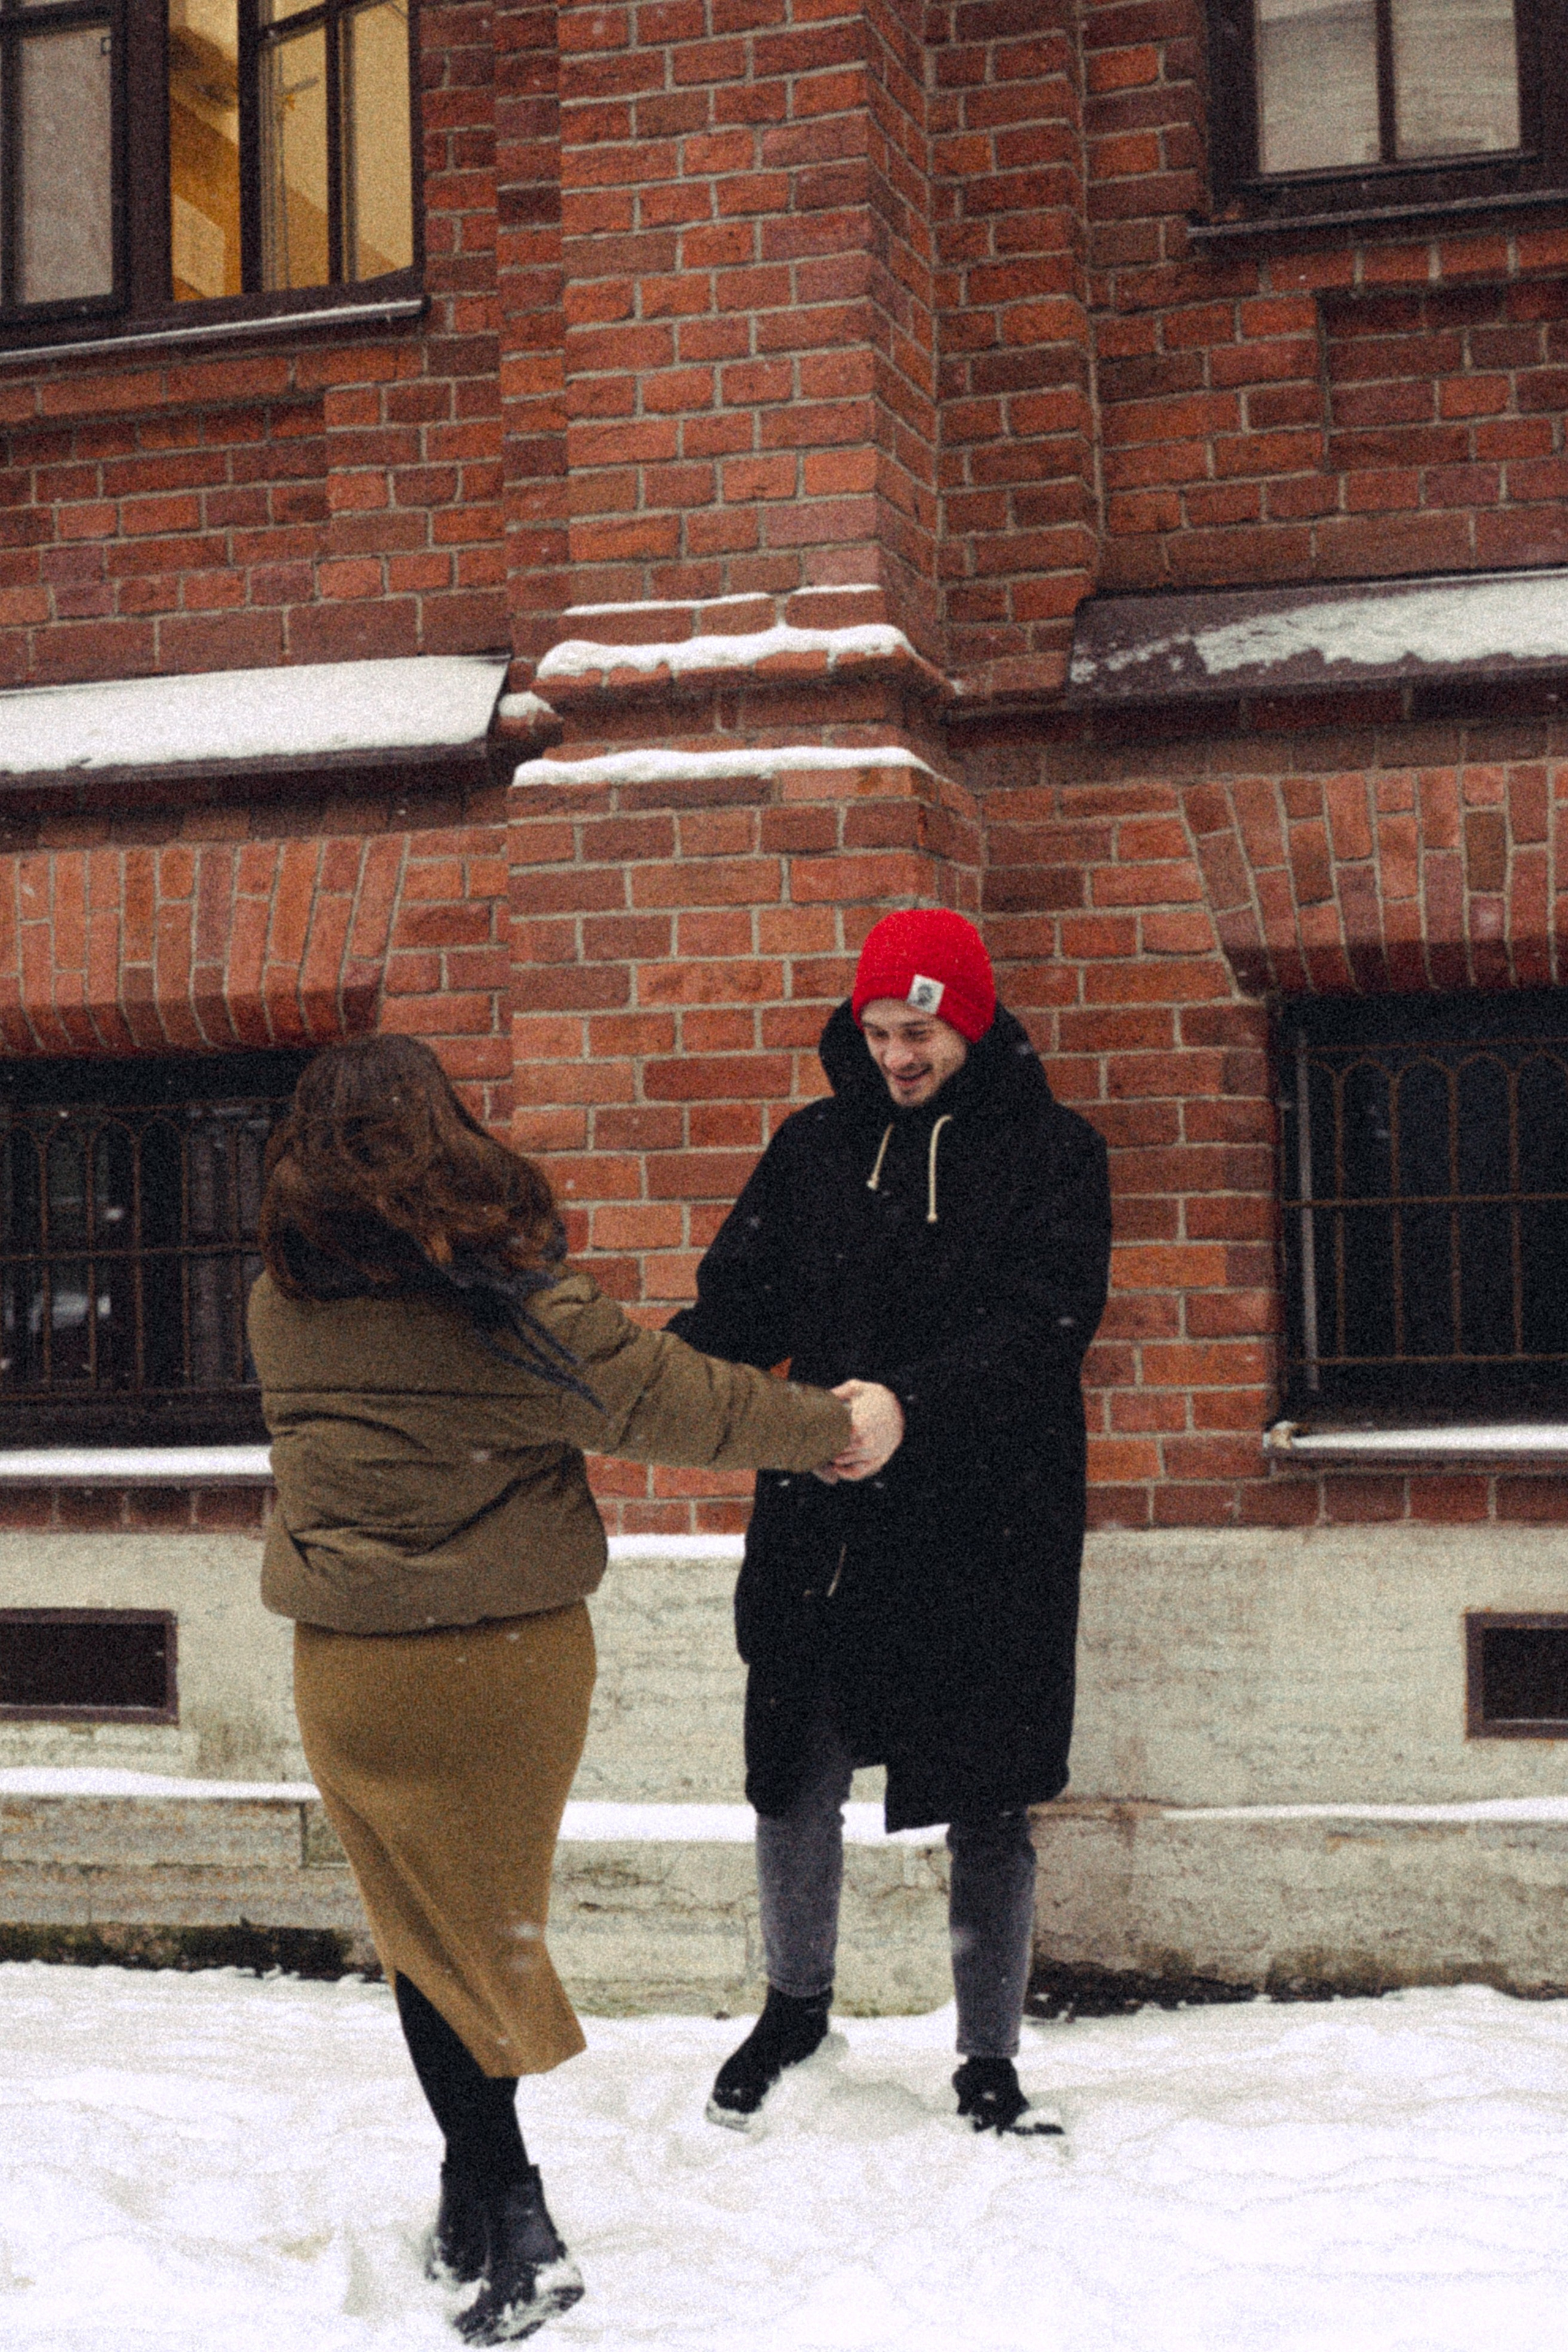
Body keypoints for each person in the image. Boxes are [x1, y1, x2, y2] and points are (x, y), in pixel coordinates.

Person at [246, 1034, 902, 2345]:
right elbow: (671, 1403)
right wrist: (839, 1427)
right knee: (470, 1935)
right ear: (442, 1132)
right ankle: (515, 2211)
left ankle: (469, 2190)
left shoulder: (279, 1301)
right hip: (499, 1663)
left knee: (425, 1936)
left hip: (351, 1665)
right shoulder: (503, 1308)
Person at [667, 907, 1112, 2136]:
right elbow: (738, 1305)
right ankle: (793, 2006)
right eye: (875, 1033)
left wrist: (911, 1403)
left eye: (918, 1033)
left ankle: (986, 2053)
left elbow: (1043, 1325)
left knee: (988, 1793)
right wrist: (645, 1378)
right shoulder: (815, 1148)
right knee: (792, 1768)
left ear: (968, 1021)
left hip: (989, 1522)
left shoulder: (1055, 1155)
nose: (896, 1057)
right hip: (827, 1517)